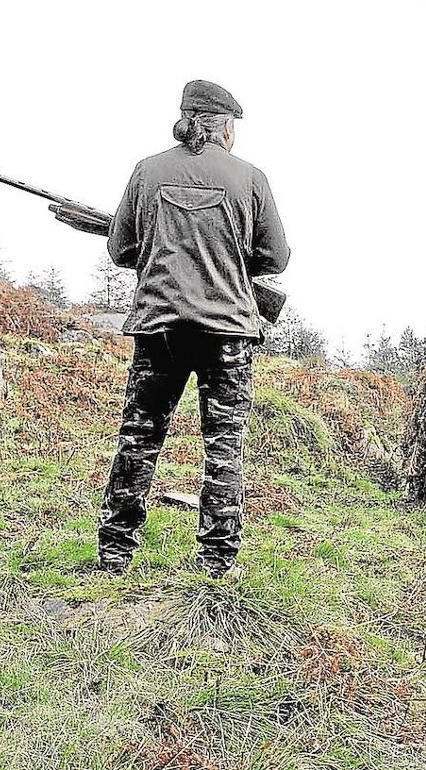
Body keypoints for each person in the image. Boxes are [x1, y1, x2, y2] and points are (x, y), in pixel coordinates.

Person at [97, 80, 290, 578]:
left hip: (159, 326)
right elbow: (276, 258)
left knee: (139, 437)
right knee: (224, 446)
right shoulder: (251, 178)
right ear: (224, 126)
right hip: (227, 332)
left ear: (185, 119)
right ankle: (218, 563)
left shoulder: (147, 170)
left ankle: (115, 554)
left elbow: (120, 250)